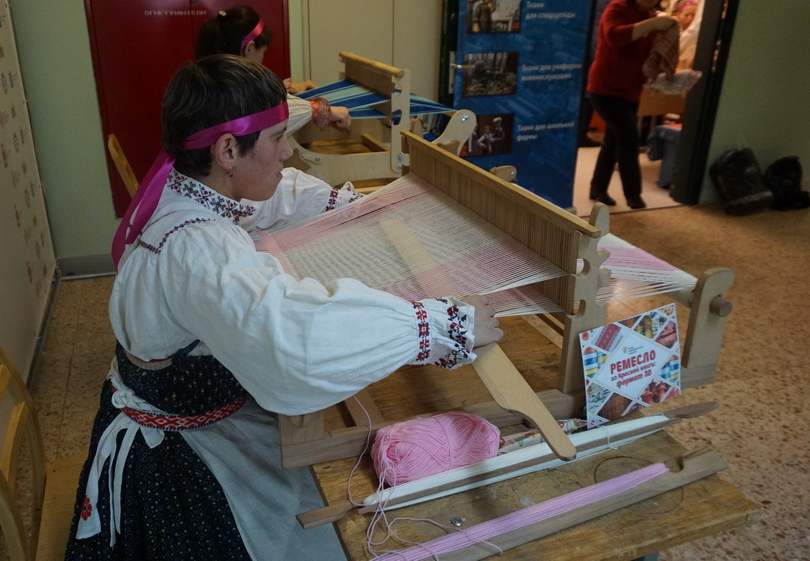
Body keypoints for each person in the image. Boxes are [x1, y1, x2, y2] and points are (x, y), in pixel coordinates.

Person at [64, 54, 503, 560]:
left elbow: (270, 197)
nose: (289, 152)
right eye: (278, 139)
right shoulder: (197, 248)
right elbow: (296, 338)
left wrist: (349, 208)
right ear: (228, 150)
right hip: (179, 463)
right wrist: (439, 325)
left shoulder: (187, 190)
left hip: (189, 410)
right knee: (328, 540)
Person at [195, 5, 350, 133]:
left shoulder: (206, 78)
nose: (262, 60)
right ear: (249, 49)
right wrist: (322, 110)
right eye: (262, 52)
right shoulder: (235, 91)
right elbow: (264, 116)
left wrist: (283, 89)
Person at [586, 0, 678, 209]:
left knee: (613, 140)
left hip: (630, 90)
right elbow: (614, 36)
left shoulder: (650, 14)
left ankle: (598, 188)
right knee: (628, 138)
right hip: (605, 87)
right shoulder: (617, 7)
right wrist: (652, 25)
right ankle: (633, 195)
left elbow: (647, 54)